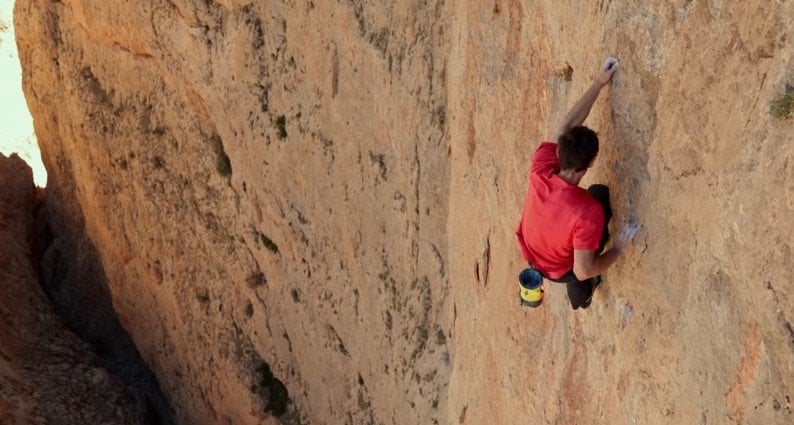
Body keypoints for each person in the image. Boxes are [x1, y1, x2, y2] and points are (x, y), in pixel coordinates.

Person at [516, 57, 639, 310]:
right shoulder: (587, 212)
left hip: (533, 251)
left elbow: (566, 127)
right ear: (592, 163)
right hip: (561, 269)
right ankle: (582, 299)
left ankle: (572, 282)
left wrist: (598, 83)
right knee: (599, 195)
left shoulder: (541, 166)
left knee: (576, 236)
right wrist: (617, 249)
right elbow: (583, 270)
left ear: (559, 152)